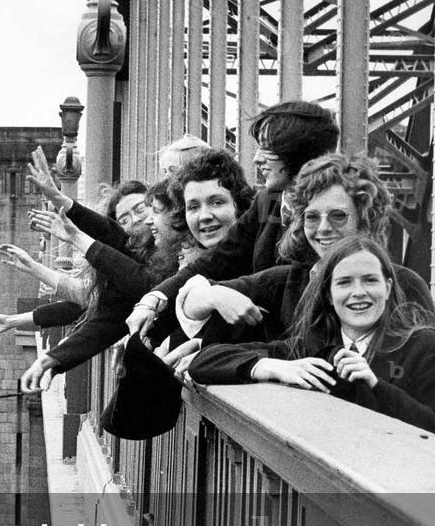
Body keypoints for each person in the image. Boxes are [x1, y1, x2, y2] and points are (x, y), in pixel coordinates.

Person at [20, 150, 253, 392]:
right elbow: (118, 301)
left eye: (150, 210)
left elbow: (142, 281)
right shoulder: (178, 257)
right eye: (194, 206)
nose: (147, 221)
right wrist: (56, 358)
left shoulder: (223, 254)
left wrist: (75, 234)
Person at [126, 101, 341, 345]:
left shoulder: (329, 224)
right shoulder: (267, 201)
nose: (257, 159)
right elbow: (217, 260)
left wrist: (208, 301)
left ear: (300, 153)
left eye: (269, 149)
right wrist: (153, 301)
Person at [176, 154, 433, 344]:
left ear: (365, 218)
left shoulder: (405, 285)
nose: (322, 229)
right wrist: (215, 296)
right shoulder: (290, 279)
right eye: (312, 217)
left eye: (338, 216)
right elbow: (190, 299)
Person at [188, 237, 435, 431]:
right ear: (328, 293)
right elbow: (204, 361)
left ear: (388, 287)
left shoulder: (423, 345)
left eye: (370, 280)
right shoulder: (310, 348)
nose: (358, 292)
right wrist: (270, 366)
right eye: (344, 282)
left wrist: (376, 385)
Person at [0, 179, 150, 339]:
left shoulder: (155, 253)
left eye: (141, 209)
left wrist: (59, 201)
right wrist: (12, 320)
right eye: (124, 220)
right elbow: (86, 300)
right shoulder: (129, 255)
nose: (136, 220)